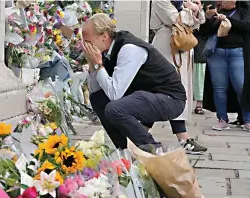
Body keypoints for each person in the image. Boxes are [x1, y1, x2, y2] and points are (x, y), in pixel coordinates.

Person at [81, 13, 205, 154]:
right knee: (98, 99)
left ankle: (153, 149)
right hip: (146, 96)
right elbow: (96, 91)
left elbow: (115, 94)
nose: (85, 46)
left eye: (88, 41)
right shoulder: (105, 51)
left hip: (170, 99)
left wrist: (98, 65)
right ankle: (123, 150)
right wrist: (92, 65)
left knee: (114, 108)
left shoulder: (129, 48)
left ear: (104, 36)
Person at [150, 0, 207, 153]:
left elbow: (198, 21)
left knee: (176, 91)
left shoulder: (182, 1)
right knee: (162, 90)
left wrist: (194, 10)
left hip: (182, 46)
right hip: (166, 48)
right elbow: (175, 19)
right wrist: (192, 10)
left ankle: (182, 137)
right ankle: (137, 133)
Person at [201, 1, 250, 131]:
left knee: (241, 86)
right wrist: (208, 18)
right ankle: (222, 119)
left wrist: (228, 19)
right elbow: (204, 32)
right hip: (217, 53)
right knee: (219, 87)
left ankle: (247, 119)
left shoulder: (243, 11)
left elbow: (246, 26)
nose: (221, 1)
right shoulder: (216, 11)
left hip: (237, 52)